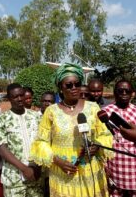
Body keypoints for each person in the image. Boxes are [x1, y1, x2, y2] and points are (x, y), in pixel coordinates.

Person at [30, 63, 113, 197]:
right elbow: (41, 142)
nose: (74, 88)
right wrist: (58, 161)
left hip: (90, 171)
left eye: (77, 84)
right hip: (63, 173)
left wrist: (97, 146)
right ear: (60, 88)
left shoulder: (93, 107)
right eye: (69, 85)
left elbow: (105, 134)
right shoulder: (51, 111)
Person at [0, 83, 43, 197]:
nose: (20, 99)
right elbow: (1, 147)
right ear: (9, 98)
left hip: (35, 174)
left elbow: (43, 142)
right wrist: (24, 169)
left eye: (21, 95)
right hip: (13, 178)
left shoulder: (36, 116)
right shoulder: (2, 119)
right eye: (15, 97)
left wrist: (36, 166)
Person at [103, 80, 136, 197]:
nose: (124, 93)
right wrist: (104, 166)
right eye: (120, 91)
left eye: (127, 91)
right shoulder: (105, 112)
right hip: (115, 164)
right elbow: (101, 139)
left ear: (132, 93)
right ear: (114, 92)